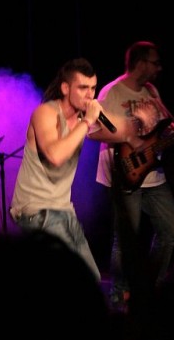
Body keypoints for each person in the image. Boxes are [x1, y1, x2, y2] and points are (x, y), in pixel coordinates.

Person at [88, 40, 174, 312]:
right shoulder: (112, 92)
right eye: (155, 62)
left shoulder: (151, 92)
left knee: (169, 232)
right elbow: (94, 131)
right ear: (140, 63)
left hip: (153, 175)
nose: (159, 68)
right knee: (125, 239)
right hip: (125, 174)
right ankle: (119, 295)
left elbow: (167, 127)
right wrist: (129, 137)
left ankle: (150, 288)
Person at [9, 57, 104, 283]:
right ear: (65, 88)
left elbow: (119, 132)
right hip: (36, 210)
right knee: (74, 281)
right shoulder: (45, 113)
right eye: (83, 88)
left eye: (93, 88)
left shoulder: (82, 119)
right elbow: (56, 156)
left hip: (63, 210)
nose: (90, 95)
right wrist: (87, 122)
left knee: (92, 278)